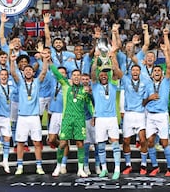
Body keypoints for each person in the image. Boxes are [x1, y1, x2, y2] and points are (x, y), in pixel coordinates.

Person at [10, 49, 50, 175]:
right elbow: (13, 72)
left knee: (37, 142)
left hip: (34, 117)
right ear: (23, 72)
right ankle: (20, 166)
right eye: (26, 70)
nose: (28, 71)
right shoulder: (20, 83)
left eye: (30, 70)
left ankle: (39, 166)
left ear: (33, 72)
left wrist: (44, 59)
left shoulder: (37, 82)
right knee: (20, 143)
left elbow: (44, 71)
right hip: (22, 117)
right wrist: (12, 61)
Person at [50, 64, 94, 178]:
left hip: (80, 119)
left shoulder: (84, 91)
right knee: (63, 143)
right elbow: (57, 73)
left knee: (80, 144)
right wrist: (48, 61)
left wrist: (94, 115)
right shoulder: (65, 86)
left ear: (80, 77)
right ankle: (58, 166)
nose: (76, 77)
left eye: (78, 75)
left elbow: (89, 104)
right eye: (74, 75)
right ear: (71, 77)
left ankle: (80, 169)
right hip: (67, 119)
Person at [143, 28, 170, 177]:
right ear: (152, 73)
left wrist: (165, 52)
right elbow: (143, 102)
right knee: (150, 141)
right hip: (150, 115)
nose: (157, 73)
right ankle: (155, 166)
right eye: (155, 71)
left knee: (164, 143)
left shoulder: (166, 82)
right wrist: (149, 98)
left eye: (158, 71)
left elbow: (169, 67)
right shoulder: (148, 84)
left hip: (162, 116)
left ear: (161, 74)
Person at [91, 43, 123, 180]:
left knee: (115, 144)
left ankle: (117, 169)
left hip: (111, 118)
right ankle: (104, 169)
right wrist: (95, 60)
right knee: (101, 145)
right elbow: (92, 73)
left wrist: (113, 57)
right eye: (101, 74)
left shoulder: (113, 84)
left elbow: (116, 73)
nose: (103, 76)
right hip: (100, 119)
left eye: (105, 74)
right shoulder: (95, 85)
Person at [120, 64, 153, 175]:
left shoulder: (145, 82)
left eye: (137, 70)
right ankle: (128, 165)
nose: (135, 72)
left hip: (140, 114)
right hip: (128, 114)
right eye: (133, 70)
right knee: (126, 141)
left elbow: (147, 99)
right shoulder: (125, 80)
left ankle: (143, 165)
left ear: (140, 72)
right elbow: (116, 69)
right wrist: (113, 54)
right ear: (130, 72)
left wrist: (148, 99)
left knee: (143, 140)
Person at [47, 66, 69, 176]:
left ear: (66, 74)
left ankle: (63, 164)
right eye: (59, 73)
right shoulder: (52, 83)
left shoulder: (68, 84)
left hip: (64, 114)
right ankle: (62, 149)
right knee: (52, 139)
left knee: (65, 140)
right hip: (54, 113)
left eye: (63, 73)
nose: (61, 75)